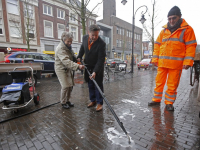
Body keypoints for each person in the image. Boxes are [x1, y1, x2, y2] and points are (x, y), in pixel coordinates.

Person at [148, 6, 197, 111]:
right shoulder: (164, 31)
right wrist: (155, 59)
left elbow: (191, 46)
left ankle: (169, 103)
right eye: (169, 18)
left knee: (172, 84)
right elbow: (157, 45)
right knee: (159, 82)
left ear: (179, 17)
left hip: (175, 65)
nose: (171, 20)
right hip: (162, 63)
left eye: (173, 18)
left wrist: (188, 61)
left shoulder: (187, 30)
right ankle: (156, 100)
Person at [77, 24, 106, 112]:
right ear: (89, 33)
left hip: (97, 67)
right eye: (93, 35)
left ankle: (100, 103)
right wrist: (79, 56)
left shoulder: (102, 44)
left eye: (96, 35)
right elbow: (82, 47)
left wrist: (95, 71)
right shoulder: (85, 38)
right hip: (88, 65)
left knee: (98, 85)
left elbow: (101, 60)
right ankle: (93, 100)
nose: (94, 37)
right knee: (90, 84)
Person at [55, 32, 84, 109]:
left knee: (70, 85)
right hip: (61, 69)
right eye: (68, 41)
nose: (70, 43)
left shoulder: (68, 47)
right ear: (64, 40)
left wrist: (76, 58)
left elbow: (72, 54)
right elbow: (66, 61)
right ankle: (63, 102)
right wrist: (78, 66)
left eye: (71, 41)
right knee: (65, 86)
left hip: (68, 68)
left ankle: (67, 100)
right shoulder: (60, 48)